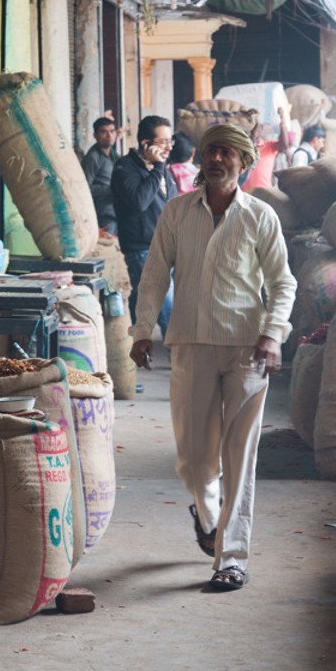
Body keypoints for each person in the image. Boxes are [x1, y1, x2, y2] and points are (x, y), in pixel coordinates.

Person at [129, 122, 296, 592]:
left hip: (248, 349)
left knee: (239, 456)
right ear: (201, 160)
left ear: (243, 164)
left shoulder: (260, 216)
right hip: (190, 346)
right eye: (211, 152)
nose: (217, 159)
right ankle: (207, 520)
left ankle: (232, 558)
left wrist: (273, 334)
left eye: (227, 153)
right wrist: (143, 330)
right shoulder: (177, 212)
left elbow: (283, 282)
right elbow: (154, 276)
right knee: (196, 460)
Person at [111, 114, 176, 335]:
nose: (169, 147)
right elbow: (140, 202)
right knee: (166, 304)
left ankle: (135, 342)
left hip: (167, 246)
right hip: (142, 248)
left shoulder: (161, 167)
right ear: (145, 144)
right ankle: (180, 358)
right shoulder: (124, 168)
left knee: (142, 301)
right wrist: (158, 169)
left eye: (170, 141)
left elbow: (171, 203)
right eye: (163, 141)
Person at [81, 115, 120, 233]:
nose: (109, 136)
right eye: (103, 132)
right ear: (95, 135)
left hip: (117, 211)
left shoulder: (114, 155)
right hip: (104, 214)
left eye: (112, 131)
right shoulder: (93, 158)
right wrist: (111, 190)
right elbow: (84, 188)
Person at [240, 105, 292, 192]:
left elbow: (284, 144)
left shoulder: (268, 146)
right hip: (244, 194)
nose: (254, 132)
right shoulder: (242, 147)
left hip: (264, 193)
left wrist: (282, 120)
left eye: (257, 128)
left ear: (262, 129)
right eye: (252, 129)